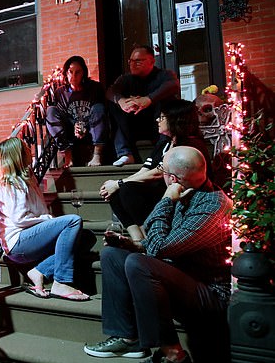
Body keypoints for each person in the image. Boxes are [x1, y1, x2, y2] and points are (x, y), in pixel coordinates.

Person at [84, 146, 232, 363]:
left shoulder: (212, 206)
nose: (159, 173)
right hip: (179, 273)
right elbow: (160, 244)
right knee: (113, 255)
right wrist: (132, 245)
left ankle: (174, 354)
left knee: (138, 264)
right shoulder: (187, 192)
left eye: (161, 169)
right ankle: (128, 338)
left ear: (172, 178)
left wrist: (165, 200)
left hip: (209, 292)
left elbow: (159, 248)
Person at [99, 99, 213, 241]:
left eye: (162, 117)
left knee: (128, 189)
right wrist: (116, 184)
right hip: (162, 191)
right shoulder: (165, 141)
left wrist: (120, 183)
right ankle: (137, 239)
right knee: (115, 193)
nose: (157, 120)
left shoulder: (189, 144)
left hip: (182, 195)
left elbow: (159, 173)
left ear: (175, 119)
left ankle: (149, 241)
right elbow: (145, 169)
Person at [0, 137, 89, 301]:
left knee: (84, 236)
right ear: (18, 155)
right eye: (25, 148)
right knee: (73, 221)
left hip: (28, 239)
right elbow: (19, 220)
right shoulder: (12, 183)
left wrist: (49, 221)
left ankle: (39, 271)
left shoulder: (27, 180)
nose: (29, 150)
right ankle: (60, 282)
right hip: (18, 242)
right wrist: (47, 219)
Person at [107, 46, 180, 166]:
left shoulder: (164, 75)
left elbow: (173, 85)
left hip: (157, 126)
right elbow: (111, 91)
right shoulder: (126, 79)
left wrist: (149, 99)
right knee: (114, 105)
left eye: (138, 61)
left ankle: (162, 150)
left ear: (151, 61)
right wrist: (121, 101)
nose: (133, 64)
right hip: (134, 125)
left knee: (165, 100)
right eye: (131, 61)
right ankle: (126, 153)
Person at [46, 56, 108, 167]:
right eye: (70, 72)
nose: (73, 76)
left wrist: (84, 126)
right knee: (50, 111)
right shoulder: (60, 92)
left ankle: (97, 154)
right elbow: (62, 116)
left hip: (91, 127)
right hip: (71, 130)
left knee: (99, 108)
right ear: (66, 73)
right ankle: (68, 155)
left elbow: (99, 112)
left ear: (83, 73)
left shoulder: (95, 88)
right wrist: (75, 126)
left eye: (78, 72)